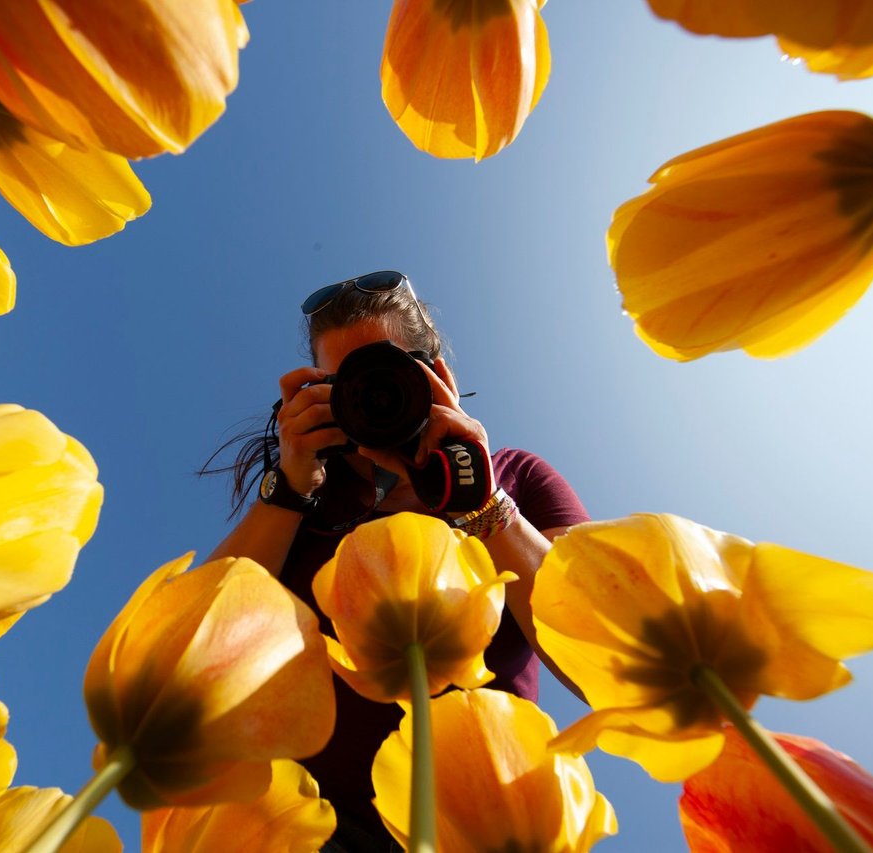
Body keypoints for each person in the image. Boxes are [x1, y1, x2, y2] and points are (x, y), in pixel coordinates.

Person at [206, 270, 589, 851]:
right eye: (344, 384)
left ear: (440, 377)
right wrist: (288, 488)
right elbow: (193, 639)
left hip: (485, 819)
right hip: (306, 822)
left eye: (389, 371)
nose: (372, 394)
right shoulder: (304, 503)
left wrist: (483, 503)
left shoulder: (513, 477)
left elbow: (596, 658)